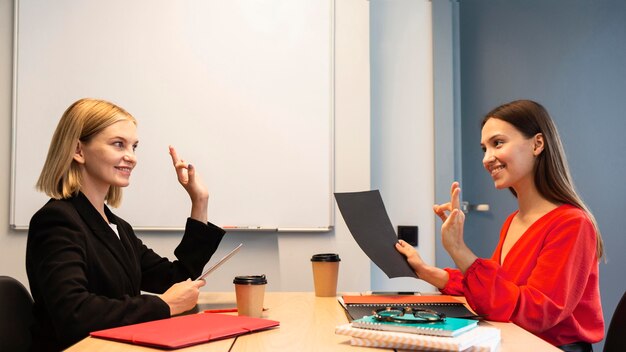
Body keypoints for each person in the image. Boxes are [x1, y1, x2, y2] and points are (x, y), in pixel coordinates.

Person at [396, 100, 604, 351]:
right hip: (514, 341)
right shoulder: (512, 221)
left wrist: (459, 250)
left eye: (498, 143)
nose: (487, 158)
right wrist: (429, 272)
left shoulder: (572, 223)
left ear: (537, 144)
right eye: (484, 148)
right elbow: (500, 293)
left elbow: (538, 313)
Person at [25, 98, 225, 351]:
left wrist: (200, 201)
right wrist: (164, 305)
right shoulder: (56, 221)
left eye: (134, 147)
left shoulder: (116, 226)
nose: (131, 157)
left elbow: (176, 278)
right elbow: (74, 313)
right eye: (119, 144)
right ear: (78, 151)